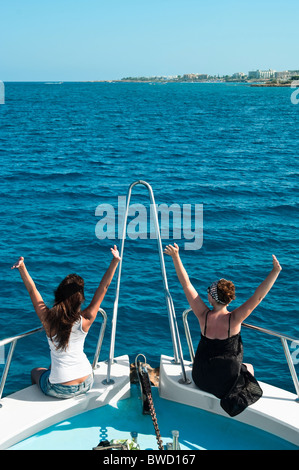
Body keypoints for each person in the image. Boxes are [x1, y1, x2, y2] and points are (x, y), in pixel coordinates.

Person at [164, 243, 282, 416]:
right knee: (248, 367)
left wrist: (176, 257)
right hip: (225, 382)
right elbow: (258, 296)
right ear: (228, 300)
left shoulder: (202, 315)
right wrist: (275, 272)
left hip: (201, 377)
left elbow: (186, 284)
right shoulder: (234, 320)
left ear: (212, 298)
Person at [11, 246, 121, 399]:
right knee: (51, 367)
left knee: (35, 372)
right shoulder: (87, 318)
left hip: (60, 388)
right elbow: (104, 287)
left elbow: (32, 291)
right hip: (87, 380)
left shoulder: (48, 319)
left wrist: (22, 267)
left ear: (58, 294)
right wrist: (115, 261)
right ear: (80, 300)